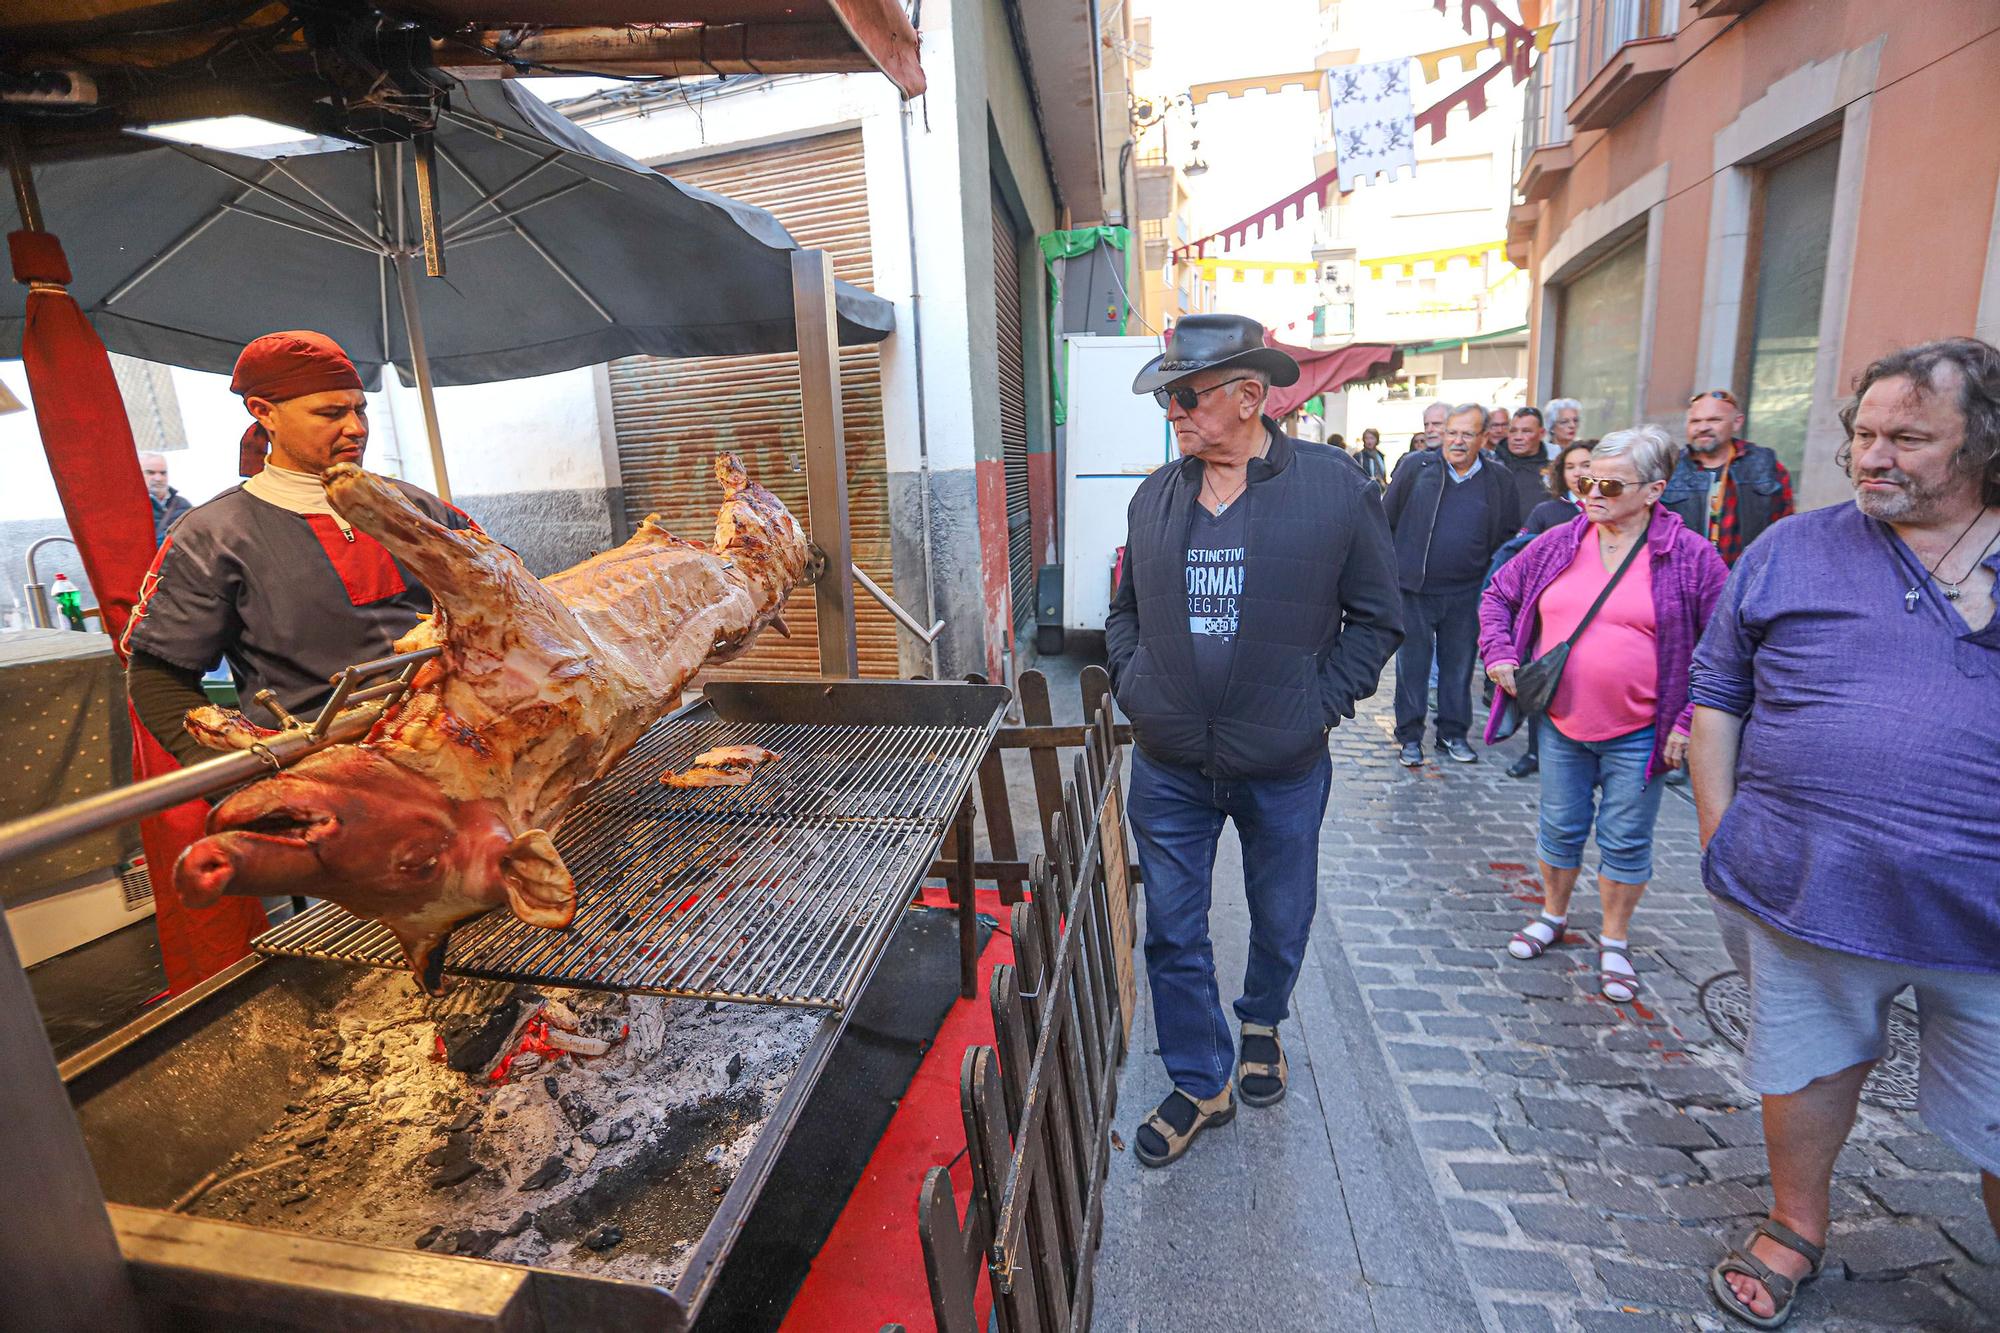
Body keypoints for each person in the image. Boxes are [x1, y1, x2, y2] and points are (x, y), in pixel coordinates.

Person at [1688, 338, 2000, 1329]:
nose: (1874, 455)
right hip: (1803, 890)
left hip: (1986, 917)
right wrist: (1720, 838)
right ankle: (1792, 1221)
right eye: (1862, 434)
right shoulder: (1790, 548)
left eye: (1907, 437)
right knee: (1805, 1069)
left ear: (1982, 443)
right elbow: (1714, 699)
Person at [1107, 313, 1402, 1168]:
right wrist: (1138, 683)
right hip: (1170, 763)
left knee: (1281, 912)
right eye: (1167, 395)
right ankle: (1202, 1077)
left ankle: (1263, 1018)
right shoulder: (1154, 495)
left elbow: (1378, 617)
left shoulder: (1333, 486)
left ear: (1249, 396)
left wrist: (1315, 704)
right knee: (1171, 925)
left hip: (1283, 763)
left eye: (1186, 394)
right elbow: (1124, 611)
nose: (1173, 410)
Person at [124, 330, 476, 767]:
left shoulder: (421, 508)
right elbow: (158, 679)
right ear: (263, 412)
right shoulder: (213, 537)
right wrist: (245, 778)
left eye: (359, 409)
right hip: (324, 767)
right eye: (330, 413)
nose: (356, 427)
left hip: (464, 747)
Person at [1481, 425, 1726, 1005]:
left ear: (1653, 490)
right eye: (1586, 480)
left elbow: (1723, 648)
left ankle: (1614, 939)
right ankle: (1553, 915)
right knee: (1560, 828)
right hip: (1562, 721)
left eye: (1609, 485)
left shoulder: (1690, 556)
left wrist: (1688, 720)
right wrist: (1499, 653)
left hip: (1642, 731)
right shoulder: (1561, 540)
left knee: (1624, 839)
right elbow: (1498, 593)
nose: (1592, 493)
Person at [1383, 402, 1521, 766]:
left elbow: (1507, 536)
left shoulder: (1498, 479)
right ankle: (1410, 737)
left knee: (1459, 669)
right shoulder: (1416, 468)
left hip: (1466, 593)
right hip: (1413, 590)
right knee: (1411, 668)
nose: (1457, 441)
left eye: (1467, 434)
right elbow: (1384, 521)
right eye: (1452, 432)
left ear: (1484, 438)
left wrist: (1492, 584)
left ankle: (1452, 734)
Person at [1490, 439, 1595, 779]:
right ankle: (1536, 751)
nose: (1579, 472)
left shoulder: (1615, 515)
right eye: (1571, 466)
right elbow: (1514, 560)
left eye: (1587, 464)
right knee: (1543, 683)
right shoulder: (1548, 512)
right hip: (1552, 618)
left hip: (1595, 617)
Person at [1663, 388, 1794, 565]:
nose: (1703, 428)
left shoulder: (1765, 465)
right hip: (1687, 579)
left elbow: (1786, 530)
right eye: (1695, 421)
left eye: (1714, 420)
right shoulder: (1670, 468)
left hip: (1747, 578)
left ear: (1737, 422)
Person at [1495, 407, 1551, 520]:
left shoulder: (1554, 471)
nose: (1518, 437)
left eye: (1526, 431)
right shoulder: (1492, 465)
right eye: (1513, 431)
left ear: (1542, 433)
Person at [141, 451, 192, 546]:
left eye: (163, 473)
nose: (158, 478)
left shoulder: (183, 504)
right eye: (150, 472)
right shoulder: (131, 507)